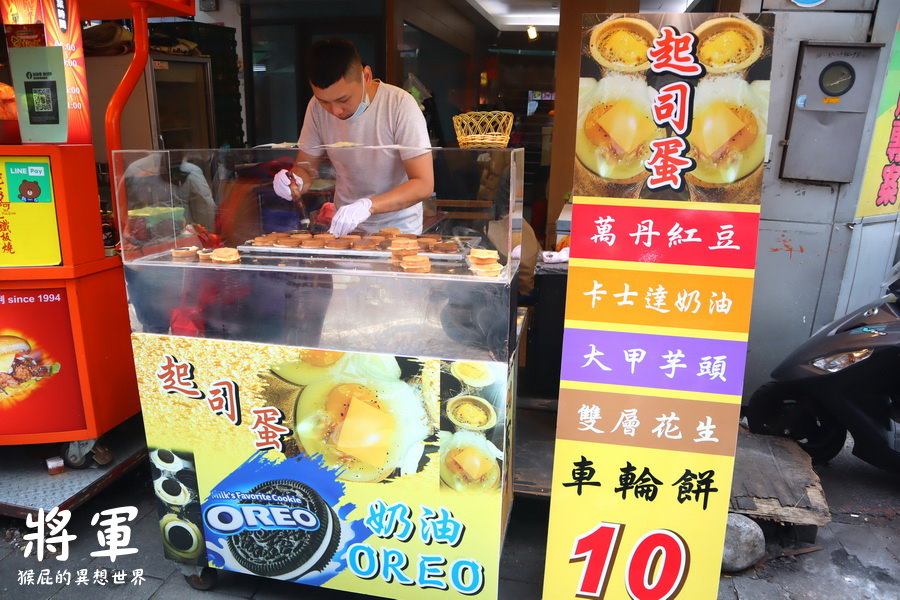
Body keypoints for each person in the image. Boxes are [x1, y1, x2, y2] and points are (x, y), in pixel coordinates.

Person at [272, 38, 433, 235]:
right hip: (345, 225)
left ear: (366, 76)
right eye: (325, 102)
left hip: (398, 228)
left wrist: (367, 206)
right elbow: (307, 167)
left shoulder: (399, 105)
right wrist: (294, 181)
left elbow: (423, 184)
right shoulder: (315, 107)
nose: (335, 111)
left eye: (343, 99)